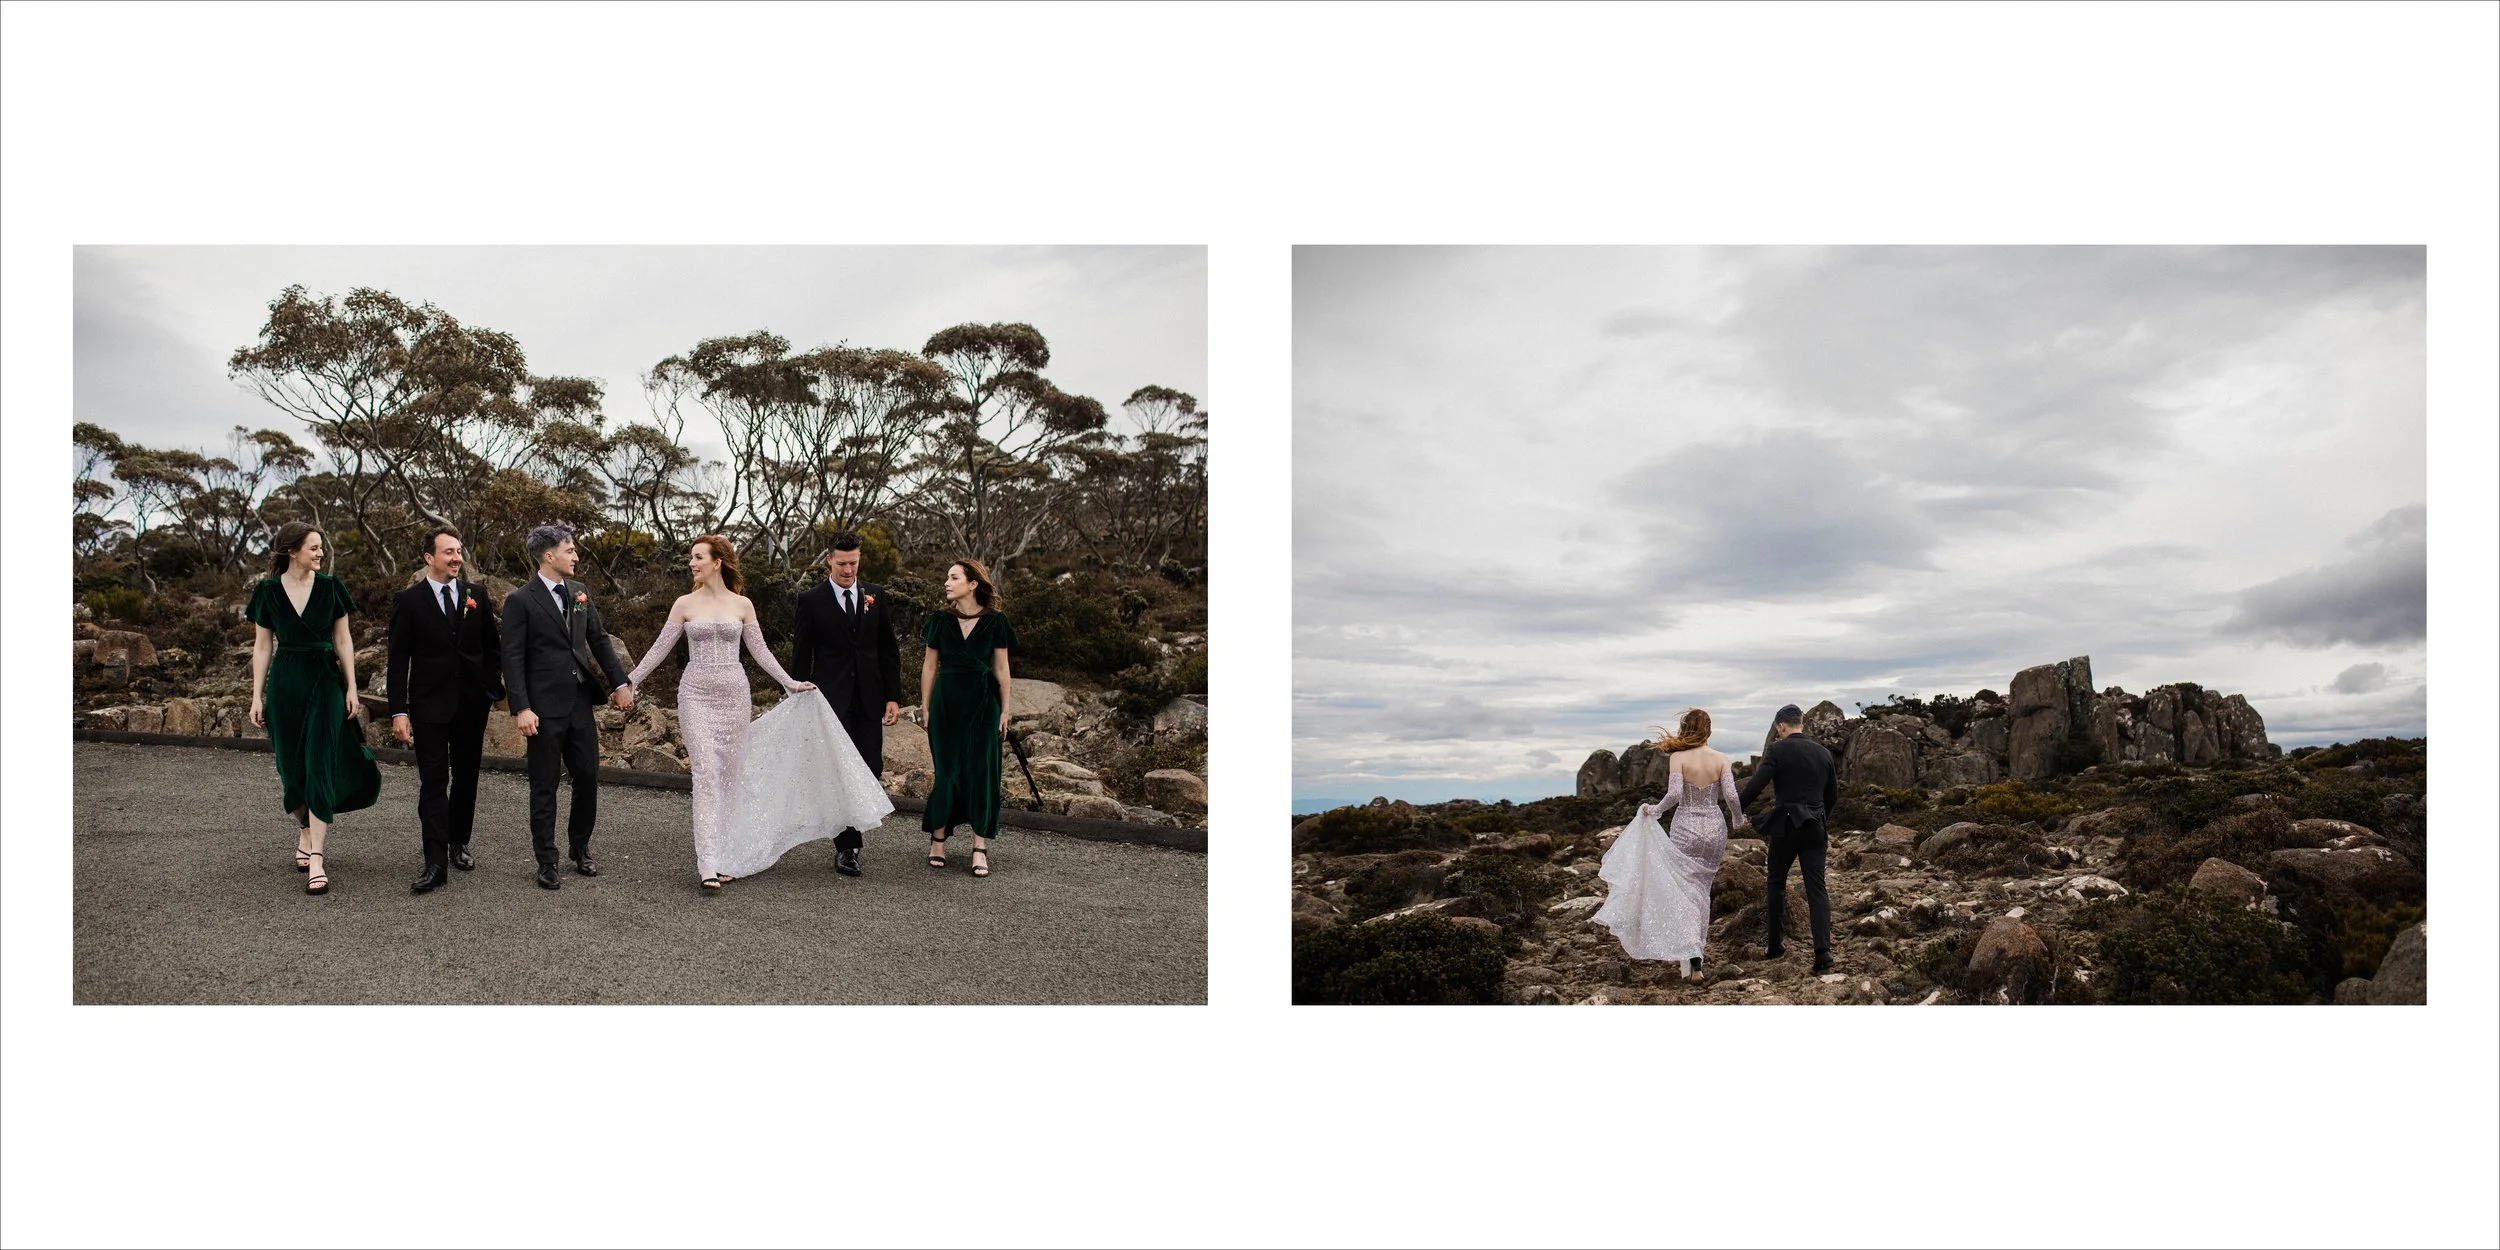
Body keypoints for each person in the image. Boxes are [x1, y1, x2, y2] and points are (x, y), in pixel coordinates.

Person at [623, 535, 891, 890]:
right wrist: (629, 681)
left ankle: (730, 855)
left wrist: (790, 682)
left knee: (731, 781)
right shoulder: (684, 604)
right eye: (691, 557)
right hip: (696, 694)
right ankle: (708, 862)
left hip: (734, 695)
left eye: (698, 557)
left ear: (717, 561)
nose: (692, 563)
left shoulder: (743, 605)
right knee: (705, 774)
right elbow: (659, 649)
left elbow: (761, 651)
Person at [245, 521, 382, 896]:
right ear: (292, 551)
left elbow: (343, 639)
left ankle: (318, 856)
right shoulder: (268, 592)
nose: (320, 553)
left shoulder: (331, 588)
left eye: (321, 547)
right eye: (313, 547)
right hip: (286, 682)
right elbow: (262, 648)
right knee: (291, 768)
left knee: (320, 761)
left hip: (325, 682)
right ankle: (304, 830)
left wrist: (352, 687)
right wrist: (257, 696)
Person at [499, 523, 633, 891]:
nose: (575, 556)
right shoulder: (520, 601)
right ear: (549, 556)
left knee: (588, 777)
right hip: (541, 709)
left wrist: (620, 683)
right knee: (544, 785)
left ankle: (580, 847)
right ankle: (547, 859)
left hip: (578, 702)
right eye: (570, 550)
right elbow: (511, 658)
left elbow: (600, 642)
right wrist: (520, 708)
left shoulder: (580, 593)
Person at [386, 525, 505, 894]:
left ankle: (459, 842)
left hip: (472, 705)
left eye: (458, 551)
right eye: (448, 552)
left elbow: (492, 647)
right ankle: (434, 861)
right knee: (434, 783)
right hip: (429, 707)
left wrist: (489, 689)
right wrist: (398, 711)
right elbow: (397, 662)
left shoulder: (476, 595)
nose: (456, 558)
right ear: (429, 559)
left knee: (467, 776)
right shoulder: (408, 602)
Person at [1594, 708, 1747, 975]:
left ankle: (1691, 956)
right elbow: (1733, 797)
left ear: (1686, 730)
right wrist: (1737, 819)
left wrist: (1656, 810)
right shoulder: (1721, 759)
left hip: (1685, 827)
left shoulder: (1678, 758)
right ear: (1708, 730)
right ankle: (1696, 951)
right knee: (1702, 890)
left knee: (1684, 890)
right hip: (1714, 828)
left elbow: (1675, 794)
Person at [788, 532, 903, 877]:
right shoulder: (811, 600)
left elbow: (887, 650)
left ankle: (853, 833)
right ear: (829, 561)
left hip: (870, 698)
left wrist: (893, 696)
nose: (849, 569)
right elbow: (801, 653)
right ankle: (847, 847)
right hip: (829, 701)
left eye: (854, 563)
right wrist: (796, 694)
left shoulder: (876, 597)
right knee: (837, 771)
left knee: (870, 766)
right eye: (842, 564)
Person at [918, 559, 1017, 878]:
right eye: (947, 577)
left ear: (973, 583)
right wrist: (925, 705)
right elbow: (930, 666)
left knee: (981, 772)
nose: (947, 583)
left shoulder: (996, 622)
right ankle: (938, 839)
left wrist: (1005, 709)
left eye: (954, 577)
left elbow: (1002, 669)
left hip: (982, 704)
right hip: (946, 703)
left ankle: (979, 846)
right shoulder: (939, 620)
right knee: (947, 772)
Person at [1739, 703, 1840, 973]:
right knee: (1816, 888)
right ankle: (1823, 953)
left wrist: (1736, 808)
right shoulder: (1823, 753)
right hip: (1815, 827)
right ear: (1801, 724)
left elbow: (1756, 785)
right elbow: (1832, 796)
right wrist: (1820, 818)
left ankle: (1774, 945)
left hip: (1785, 827)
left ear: (1780, 726)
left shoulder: (1777, 749)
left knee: (1776, 883)